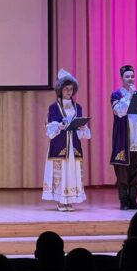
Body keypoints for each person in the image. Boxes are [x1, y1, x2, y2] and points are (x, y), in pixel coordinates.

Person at [41, 69, 91, 211]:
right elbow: (49, 126)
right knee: (61, 172)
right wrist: (59, 126)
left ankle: (69, 200)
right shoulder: (54, 107)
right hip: (60, 144)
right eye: (66, 89)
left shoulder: (78, 107)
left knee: (71, 172)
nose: (69, 92)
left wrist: (82, 128)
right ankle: (61, 201)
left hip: (73, 146)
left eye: (71, 89)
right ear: (60, 90)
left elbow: (82, 128)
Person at [110, 65, 137, 210]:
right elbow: (119, 112)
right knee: (122, 172)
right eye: (127, 76)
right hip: (123, 139)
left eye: (132, 76)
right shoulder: (116, 95)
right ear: (121, 78)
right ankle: (124, 201)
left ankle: (133, 201)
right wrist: (129, 96)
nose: (130, 79)